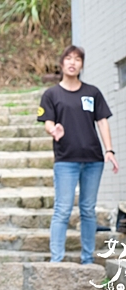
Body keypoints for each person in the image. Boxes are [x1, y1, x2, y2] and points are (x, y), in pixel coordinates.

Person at [37, 45, 119, 265]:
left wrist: (109, 150)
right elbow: (48, 122)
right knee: (62, 210)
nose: (73, 63)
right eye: (68, 59)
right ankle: (56, 261)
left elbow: (102, 121)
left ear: (82, 64)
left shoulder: (92, 92)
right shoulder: (52, 94)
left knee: (88, 210)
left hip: (93, 159)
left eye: (77, 59)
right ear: (62, 63)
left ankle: (87, 259)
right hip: (65, 160)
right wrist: (53, 130)